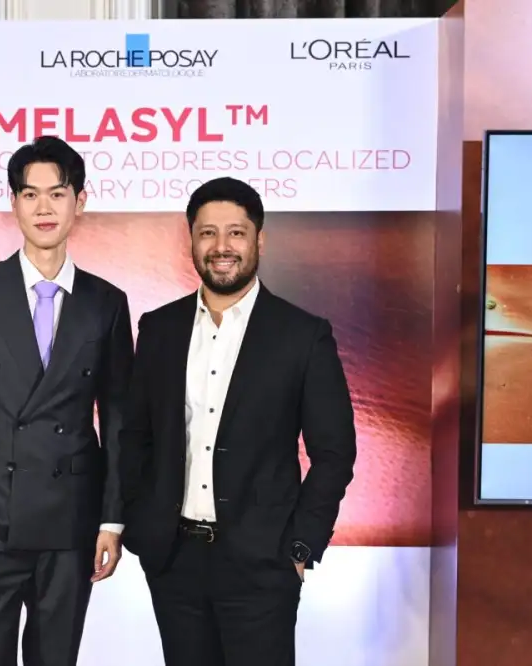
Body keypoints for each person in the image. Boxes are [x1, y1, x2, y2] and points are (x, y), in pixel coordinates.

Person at [118, 176, 357, 666]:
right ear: (191, 240)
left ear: (259, 241)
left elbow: (335, 453)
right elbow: (136, 436)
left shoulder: (303, 335)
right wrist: (142, 522)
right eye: (208, 233)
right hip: (173, 562)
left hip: (263, 563)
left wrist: (301, 546)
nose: (221, 246)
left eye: (236, 233)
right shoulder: (159, 328)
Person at [0, 136, 133, 666]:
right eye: (30, 194)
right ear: (13, 202)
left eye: (57, 193)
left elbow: (120, 420)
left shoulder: (106, 302)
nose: (43, 207)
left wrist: (111, 520)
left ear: (80, 201)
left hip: (72, 520)